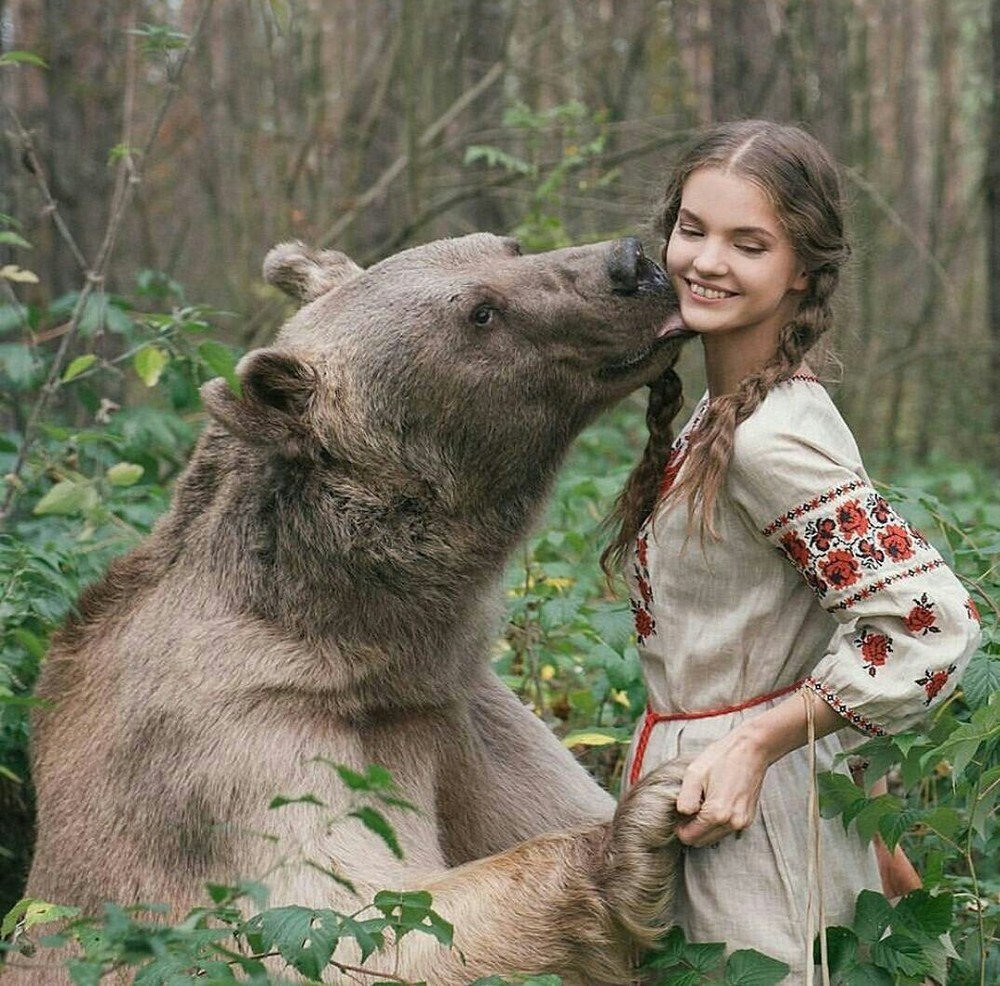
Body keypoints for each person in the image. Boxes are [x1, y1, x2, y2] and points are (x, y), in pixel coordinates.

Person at [602, 120, 982, 975]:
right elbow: (825, 624)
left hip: (753, 827)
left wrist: (754, 746)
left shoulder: (770, 438)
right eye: (692, 230)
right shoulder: (724, 413)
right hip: (714, 802)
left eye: (748, 243)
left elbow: (933, 625)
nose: (706, 261)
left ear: (802, 271)